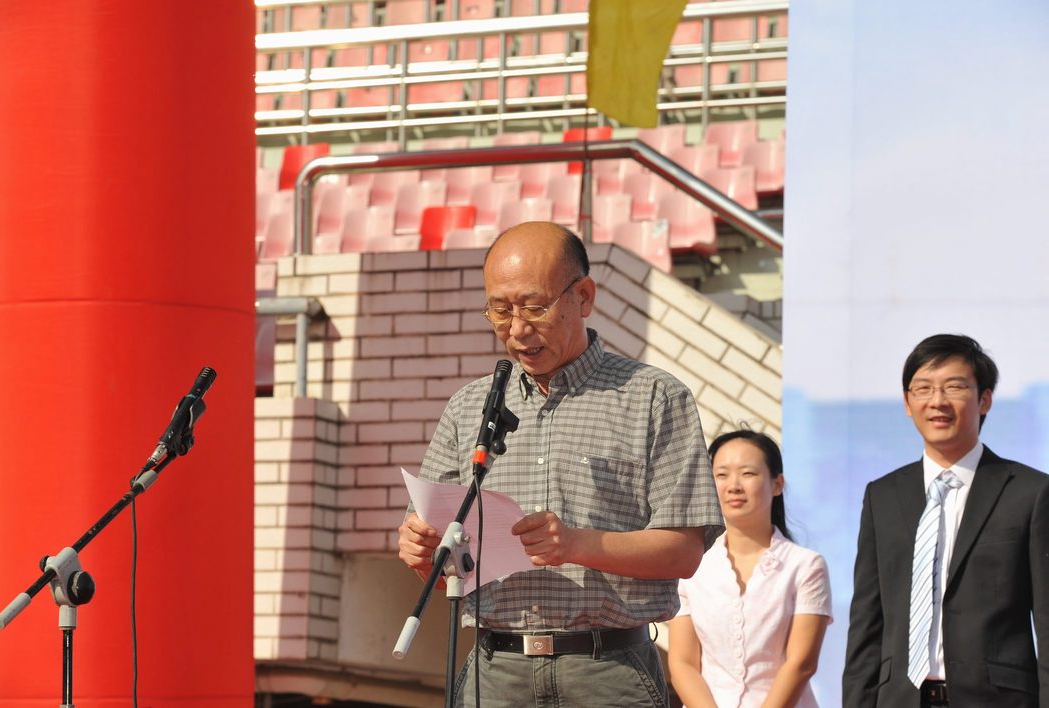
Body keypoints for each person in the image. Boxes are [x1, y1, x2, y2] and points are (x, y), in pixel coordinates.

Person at [397, 221, 723, 707]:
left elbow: (684, 550)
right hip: (496, 669)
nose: (517, 329)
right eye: (500, 310)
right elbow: (442, 566)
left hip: (608, 670)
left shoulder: (654, 397)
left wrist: (574, 543)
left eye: (534, 307)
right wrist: (420, 548)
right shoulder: (470, 407)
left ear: (583, 297)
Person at [843, 334, 1049, 707]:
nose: (937, 401)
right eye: (923, 388)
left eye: (954, 387)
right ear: (907, 402)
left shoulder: (1031, 492)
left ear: (984, 399)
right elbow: (866, 625)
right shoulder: (882, 496)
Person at [668, 430, 832, 707]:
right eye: (721, 475)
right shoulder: (692, 564)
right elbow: (683, 664)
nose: (733, 485)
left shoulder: (806, 566)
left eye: (748, 473)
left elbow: (801, 664)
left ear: (777, 484)